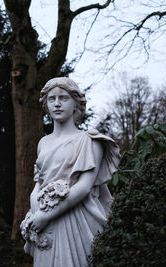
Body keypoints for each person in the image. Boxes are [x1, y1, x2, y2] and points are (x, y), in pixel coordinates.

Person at [20, 77, 120, 267]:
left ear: (76, 104)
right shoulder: (43, 143)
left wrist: (46, 215)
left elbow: (83, 187)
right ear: (46, 105)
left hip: (77, 219)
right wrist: (36, 214)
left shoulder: (90, 141)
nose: (57, 104)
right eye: (51, 99)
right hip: (45, 224)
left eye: (63, 98)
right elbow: (38, 185)